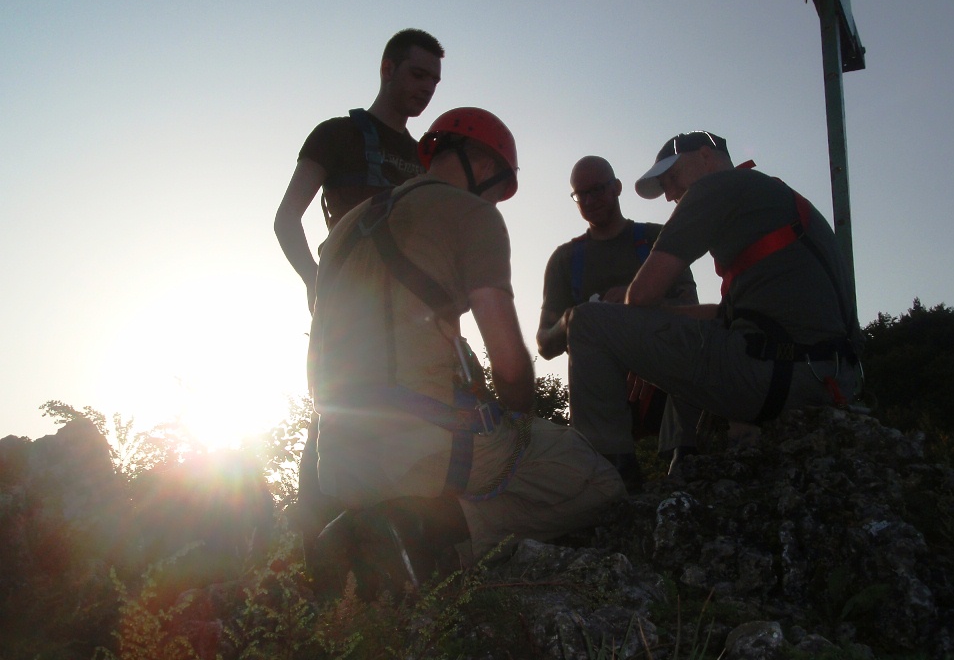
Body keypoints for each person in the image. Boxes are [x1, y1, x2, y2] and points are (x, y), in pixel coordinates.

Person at [306, 108, 626, 601]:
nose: (495, 201)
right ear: (483, 164)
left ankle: (370, 530)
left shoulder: (344, 228)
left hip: (337, 461)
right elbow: (511, 365)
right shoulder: (472, 214)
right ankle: (425, 535)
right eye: (499, 189)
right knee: (599, 481)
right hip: (423, 451)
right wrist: (520, 419)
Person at [566, 130, 863, 460]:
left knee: (586, 322)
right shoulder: (771, 198)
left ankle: (599, 472)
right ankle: (682, 462)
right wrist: (644, 333)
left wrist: (628, 318)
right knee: (691, 335)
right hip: (833, 378)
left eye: (671, 178)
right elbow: (725, 315)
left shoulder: (715, 186)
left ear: (705, 156)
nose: (670, 195)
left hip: (774, 376)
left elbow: (641, 295)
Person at [274, 28, 444, 567]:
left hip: (412, 319)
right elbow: (286, 219)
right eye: (418, 74)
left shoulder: (427, 157)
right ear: (387, 69)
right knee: (336, 421)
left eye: (435, 81)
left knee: (411, 428)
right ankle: (319, 568)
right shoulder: (337, 135)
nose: (427, 88)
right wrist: (314, 282)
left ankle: (393, 566)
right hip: (350, 310)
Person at [536, 156, 699, 486]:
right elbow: (544, 343)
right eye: (581, 194)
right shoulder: (565, 260)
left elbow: (690, 309)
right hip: (600, 390)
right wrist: (574, 319)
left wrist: (635, 301)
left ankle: (685, 458)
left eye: (597, 189)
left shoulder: (656, 240)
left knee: (697, 341)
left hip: (663, 376)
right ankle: (612, 474)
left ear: (617, 188)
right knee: (586, 326)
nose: (590, 200)